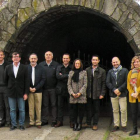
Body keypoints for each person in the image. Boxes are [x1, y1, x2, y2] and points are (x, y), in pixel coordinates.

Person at [4, 52, 29, 131]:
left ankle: (21, 124)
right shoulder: (8, 67)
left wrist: (26, 93)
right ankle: (13, 124)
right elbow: (5, 80)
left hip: (21, 92)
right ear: (12, 58)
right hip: (11, 92)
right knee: (12, 109)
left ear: (20, 58)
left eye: (17, 57)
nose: (16, 58)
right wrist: (9, 88)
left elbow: (27, 81)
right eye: (14, 57)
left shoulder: (24, 68)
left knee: (21, 109)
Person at [83, 55, 106, 130]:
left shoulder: (102, 71)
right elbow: (84, 82)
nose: (95, 61)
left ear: (98, 61)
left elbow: (103, 83)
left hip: (97, 93)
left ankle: (95, 124)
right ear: (91, 61)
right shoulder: (87, 70)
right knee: (88, 109)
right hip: (88, 93)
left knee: (96, 109)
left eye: (96, 60)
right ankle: (88, 122)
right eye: (93, 60)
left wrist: (102, 93)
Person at [106, 57, 128, 132]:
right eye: (113, 62)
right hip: (113, 94)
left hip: (122, 93)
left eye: (116, 62)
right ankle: (116, 125)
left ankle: (124, 125)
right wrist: (114, 89)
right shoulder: (110, 71)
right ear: (112, 63)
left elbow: (126, 81)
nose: (115, 63)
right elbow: (108, 82)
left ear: (119, 61)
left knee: (123, 109)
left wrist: (119, 89)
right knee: (115, 110)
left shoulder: (125, 70)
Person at [39, 51, 59, 127]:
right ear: (44, 56)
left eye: (49, 55)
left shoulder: (56, 65)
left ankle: (54, 120)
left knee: (54, 105)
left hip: (53, 88)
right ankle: (45, 120)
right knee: (45, 105)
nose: (48, 56)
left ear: (52, 56)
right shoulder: (41, 65)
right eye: (46, 55)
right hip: (44, 88)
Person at [27, 53, 46, 129]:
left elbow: (43, 79)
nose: (33, 60)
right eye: (32, 58)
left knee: (38, 107)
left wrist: (36, 88)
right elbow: (24, 79)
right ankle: (31, 122)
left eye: (34, 58)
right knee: (31, 107)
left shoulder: (41, 68)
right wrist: (29, 88)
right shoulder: (26, 68)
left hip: (38, 90)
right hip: (29, 90)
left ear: (37, 59)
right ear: (29, 59)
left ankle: (38, 122)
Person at [68, 58, 87, 131]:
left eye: (78, 63)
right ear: (74, 64)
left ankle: (80, 123)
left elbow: (85, 84)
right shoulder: (71, 73)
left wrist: (80, 93)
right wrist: (72, 93)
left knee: (81, 110)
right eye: (76, 63)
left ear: (81, 64)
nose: (77, 65)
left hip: (81, 95)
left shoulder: (84, 72)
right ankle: (75, 123)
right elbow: (69, 84)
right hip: (73, 95)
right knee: (74, 111)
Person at [55, 53, 74, 128]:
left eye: (67, 58)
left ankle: (71, 122)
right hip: (60, 89)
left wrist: (62, 75)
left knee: (71, 106)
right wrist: (68, 75)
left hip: (70, 89)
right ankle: (60, 121)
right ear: (62, 59)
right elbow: (57, 76)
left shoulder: (72, 67)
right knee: (60, 106)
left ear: (69, 59)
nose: (65, 60)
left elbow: (73, 76)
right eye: (64, 58)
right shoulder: (59, 66)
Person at [127, 56, 140, 136]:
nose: (136, 63)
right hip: (132, 97)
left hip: (139, 95)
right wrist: (132, 93)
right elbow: (128, 85)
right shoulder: (130, 72)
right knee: (134, 113)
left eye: (138, 61)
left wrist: (137, 92)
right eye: (134, 62)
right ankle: (134, 129)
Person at [0, 50, 10, 127]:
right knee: (0, 105)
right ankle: (1, 120)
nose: (0, 56)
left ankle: (8, 120)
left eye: (1, 55)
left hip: (6, 87)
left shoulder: (7, 65)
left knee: (7, 105)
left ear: (4, 56)